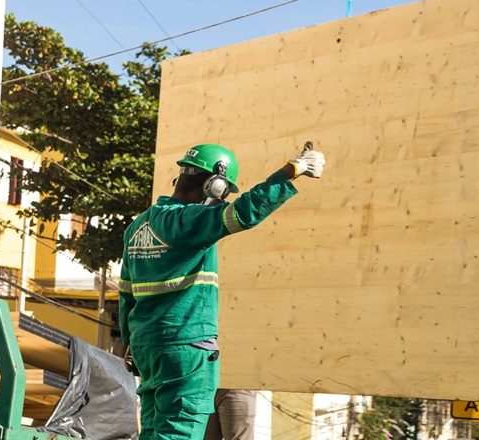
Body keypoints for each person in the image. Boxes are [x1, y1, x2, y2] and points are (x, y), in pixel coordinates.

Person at [119, 142, 325, 440]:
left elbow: (126, 294)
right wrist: (292, 171)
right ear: (214, 185)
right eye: (224, 192)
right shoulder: (188, 220)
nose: (223, 200)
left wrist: (130, 344)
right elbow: (243, 213)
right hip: (186, 347)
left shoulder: (139, 226)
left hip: (146, 346)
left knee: (153, 432)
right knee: (178, 432)